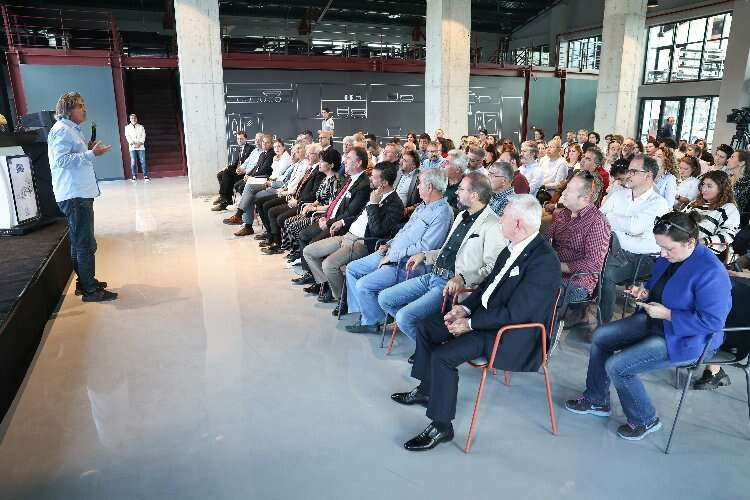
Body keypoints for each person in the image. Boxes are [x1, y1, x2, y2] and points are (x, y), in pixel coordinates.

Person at [390, 194, 561, 451]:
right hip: (486, 319)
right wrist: (464, 308)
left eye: (504, 216)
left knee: (443, 356)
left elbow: (517, 314)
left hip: (511, 334)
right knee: (426, 327)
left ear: (518, 224)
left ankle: (441, 426)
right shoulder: (512, 247)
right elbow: (487, 287)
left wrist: (470, 324)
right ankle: (427, 389)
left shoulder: (544, 261)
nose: (499, 220)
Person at [565, 211, 731, 441]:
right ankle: (596, 399)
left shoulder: (711, 272)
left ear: (690, 242)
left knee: (618, 366)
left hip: (689, 338)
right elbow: (659, 289)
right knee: (601, 336)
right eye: (660, 247)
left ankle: (645, 419)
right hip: (657, 322)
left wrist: (668, 314)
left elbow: (712, 322)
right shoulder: (670, 258)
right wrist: (644, 293)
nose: (662, 253)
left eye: (668, 248)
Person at [377, 173, 506, 353]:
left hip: (450, 286)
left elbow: (493, 268)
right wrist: (425, 255)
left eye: (461, 189)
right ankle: (428, 337)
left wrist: (463, 278)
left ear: (474, 195)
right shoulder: (462, 216)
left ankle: (431, 351)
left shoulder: (492, 224)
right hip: (433, 274)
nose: (456, 192)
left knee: (404, 317)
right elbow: (447, 250)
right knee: (385, 298)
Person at [344, 169, 454, 333]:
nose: (417, 187)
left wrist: (392, 256)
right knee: (352, 269)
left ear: (430, 187)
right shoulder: (423, 206)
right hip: (391, 253)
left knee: (363, 285)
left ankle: (374, 321)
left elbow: (426, 247)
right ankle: (370, 312)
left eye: (420, 184)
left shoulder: (442, 213)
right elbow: (404, 232)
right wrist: (389, 244)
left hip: (407, 264)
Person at [304, 162, 404, 314]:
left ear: (384, 182)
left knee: (329, 264)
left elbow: (378, 231)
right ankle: (330, 285)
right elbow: (360, 217)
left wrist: (373, 205)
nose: (370, 179)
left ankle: (342, 299)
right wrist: (343, 221)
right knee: (309, 251)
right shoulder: (375, 193)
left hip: (361, 243)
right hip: (347, 235)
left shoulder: (395, 204)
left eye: (374, 177)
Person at [48, 92, 117, 302]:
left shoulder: (71, 130)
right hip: (74, 195)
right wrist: (90, 154)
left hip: (79, 193)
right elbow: (61, 161)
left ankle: (84, 282)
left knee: (80, 243)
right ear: (68, 109)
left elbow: (72, 156)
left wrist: (87, 151)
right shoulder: (62, 130)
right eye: (80, 105)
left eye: (83, 104)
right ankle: (90, 290)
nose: (84, 109)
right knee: (84, 244)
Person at [599, 155, 670, 323]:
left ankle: (603, 323)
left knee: (606, 273)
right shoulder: (619, 194)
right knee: (588, 262)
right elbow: (599, 218)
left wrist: (613, 220)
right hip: (612, 249)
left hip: (642, 258)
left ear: (648, 175)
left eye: (633, 171)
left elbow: (634, 227)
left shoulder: (658, 203)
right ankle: (582, 310)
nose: (628, 174)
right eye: (628, 170)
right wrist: (625, 227)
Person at [546, 172, 611, 332]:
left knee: (541, 290)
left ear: (586, 198)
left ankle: (546, 337)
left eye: (569, 190)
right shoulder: (564, 214)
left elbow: (593, 265)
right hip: (554, 270)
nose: (563, 193)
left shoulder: (597, 222)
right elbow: (546, 239)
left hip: (579, 280)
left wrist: (558, 266)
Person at [277, 148, 343, 257]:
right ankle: (295, 252)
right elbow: (318, 199)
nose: (319, 163)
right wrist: (311, 205)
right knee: (288, 222)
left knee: (294, 226)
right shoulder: (326, 178)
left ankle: (299, 255)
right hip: (315, 210)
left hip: (322, 214)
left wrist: (314, 208)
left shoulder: (335, 181)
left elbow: (331, 206)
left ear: (331, 165)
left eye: (322, 161)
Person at [693, 265, 750, 389]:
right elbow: (743, 260)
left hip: (734, 340)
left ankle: (714, 370)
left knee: (732, 291)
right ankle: (714, 371)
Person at [231, 138, 292, 236]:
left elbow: (277, 176)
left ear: (284, 147)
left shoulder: (286, 158)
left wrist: (268, 180)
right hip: (270, 181)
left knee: (250, 192)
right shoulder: (276, 157)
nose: (276, 149)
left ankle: (243, 219)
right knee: (248, 189)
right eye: (275, 147)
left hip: (275, 184)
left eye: (279, 146)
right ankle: (246, 223)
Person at [681, 170, 740, 255]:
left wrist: (702, 242)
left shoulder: (728, 208)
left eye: (709, 186)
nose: (704, 189)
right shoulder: (695, 203)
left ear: (721, 189)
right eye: (703, 184)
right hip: (681, 245)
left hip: (703, 252)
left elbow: (727, 235)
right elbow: (680, 219)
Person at [222, 134, 275, 223]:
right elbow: (256, 167)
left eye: (267, 143)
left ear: (271, 144)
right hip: (256, 177)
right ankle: (243, 217)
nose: (264, 144)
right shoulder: (262, 153)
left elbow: (264, 169)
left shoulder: (271, 154)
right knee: (240, 185)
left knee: (246, 188)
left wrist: (251, 176)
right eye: (263, 142)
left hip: (264, 179)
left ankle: (240, 215)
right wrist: (249, 175)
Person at [213, 131, 254, 209]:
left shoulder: (250, 148)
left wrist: (242, 169)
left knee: (227, 173)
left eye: (241, 138)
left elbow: (249, 163)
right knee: (220, 174)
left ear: (246, 139)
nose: (239, 140)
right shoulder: (239, 148)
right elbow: (236, 163)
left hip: (244, 173)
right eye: (238, 139)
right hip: (238, 170)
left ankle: (224, 199)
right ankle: (226, 198)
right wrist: (227, 167)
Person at [394, 149, 422, 218]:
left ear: (413, 165)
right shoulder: (398, 172)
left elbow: (424, 202)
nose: (400, 162)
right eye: (402, 158)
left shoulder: (420, 178)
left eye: (405, 161)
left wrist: (408, 210)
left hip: (404, 215)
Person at [124, 113, 147, 182]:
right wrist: (134, 144)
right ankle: (134, 176)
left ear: (136, 119)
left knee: (143, 161)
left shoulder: (141, 127)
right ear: (130, 119)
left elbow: (143, 135)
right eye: (132, 118)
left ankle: (145, 176)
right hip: (132, 147)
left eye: (134, 118)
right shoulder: (127, 127)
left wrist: (140, 143)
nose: (133, 119)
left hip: (141, 146)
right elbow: (127, 136)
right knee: (133, 162)